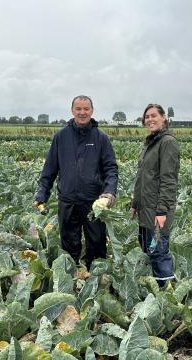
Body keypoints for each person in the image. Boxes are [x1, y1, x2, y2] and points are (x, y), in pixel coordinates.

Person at [34, 95, 118, 269]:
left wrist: (109, 191)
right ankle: (71, 281)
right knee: (69, 245)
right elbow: (49, 169)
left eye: (86, 109)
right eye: (78, 109)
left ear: (92, 111)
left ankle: (96, 280)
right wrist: (42, 194)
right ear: (72, 111)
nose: (82, 112)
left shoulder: (100, 138)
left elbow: (111, 168)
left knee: (96, 245)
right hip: (68, 201)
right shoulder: (61, 137)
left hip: (93, 203)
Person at [131, 104, 180, 287]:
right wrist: (135, 203)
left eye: (154, 116)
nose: (150, 119)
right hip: (146, 211)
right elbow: (142, 178)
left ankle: (166, 296)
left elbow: (169, 180)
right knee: (148, 250)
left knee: (159, 253)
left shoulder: (167, 142)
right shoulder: (150, 143)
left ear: (163, 118)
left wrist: (162, 211)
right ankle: (156, 289)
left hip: (157, 212)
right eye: (147, 117)